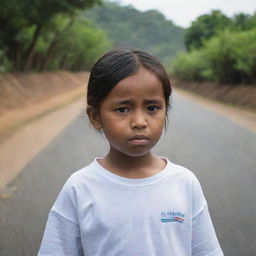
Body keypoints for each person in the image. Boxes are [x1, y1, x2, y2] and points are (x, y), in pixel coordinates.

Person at [38, 48, 224, 256]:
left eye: (152, 108)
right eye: (122, 109)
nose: (139, 122)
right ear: (95, 117)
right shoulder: (80, 188)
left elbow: (206, 251)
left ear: (165, 109)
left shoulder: (184, 183)